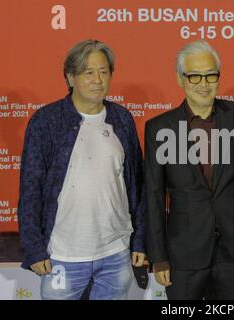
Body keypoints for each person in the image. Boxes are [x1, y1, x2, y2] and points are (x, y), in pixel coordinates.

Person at [17, 39, 146, 300]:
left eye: (104, 72)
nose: (97, 80)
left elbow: (138, 186)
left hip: (115, 253)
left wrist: (140, 240)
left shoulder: (122, 119)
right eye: (88, 72)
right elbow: (30, 188)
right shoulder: (46, 121)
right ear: (71, 77)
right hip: (63, 256)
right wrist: (34, 248)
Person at [145, 40, 234, 299]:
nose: (204, 83)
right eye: (194, 76)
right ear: (180, 79)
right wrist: (159, 257)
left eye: (211, 75)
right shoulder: (159, 128)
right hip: (183, 254)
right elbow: (154, 196)